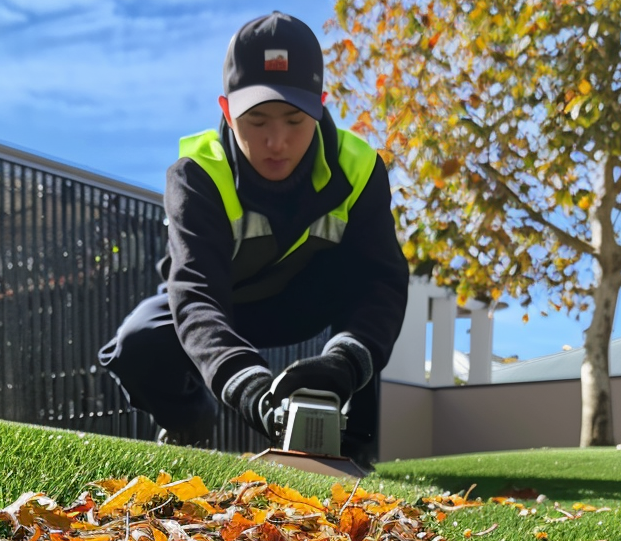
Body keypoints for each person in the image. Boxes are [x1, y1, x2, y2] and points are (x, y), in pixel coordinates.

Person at [99, 11, 409, 467]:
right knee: (136, 342)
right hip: (224, 304)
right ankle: (188, 423)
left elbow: (381, 284)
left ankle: (355, 449)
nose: (277, 142)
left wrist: (344, 364)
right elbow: (196, 296)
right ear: (227, 110)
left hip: (310, 301)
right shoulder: (197, 175)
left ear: (320, 106)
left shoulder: (360, 169)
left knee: (367, 321)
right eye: (257, 120)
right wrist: (251, 390)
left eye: (294, 119)